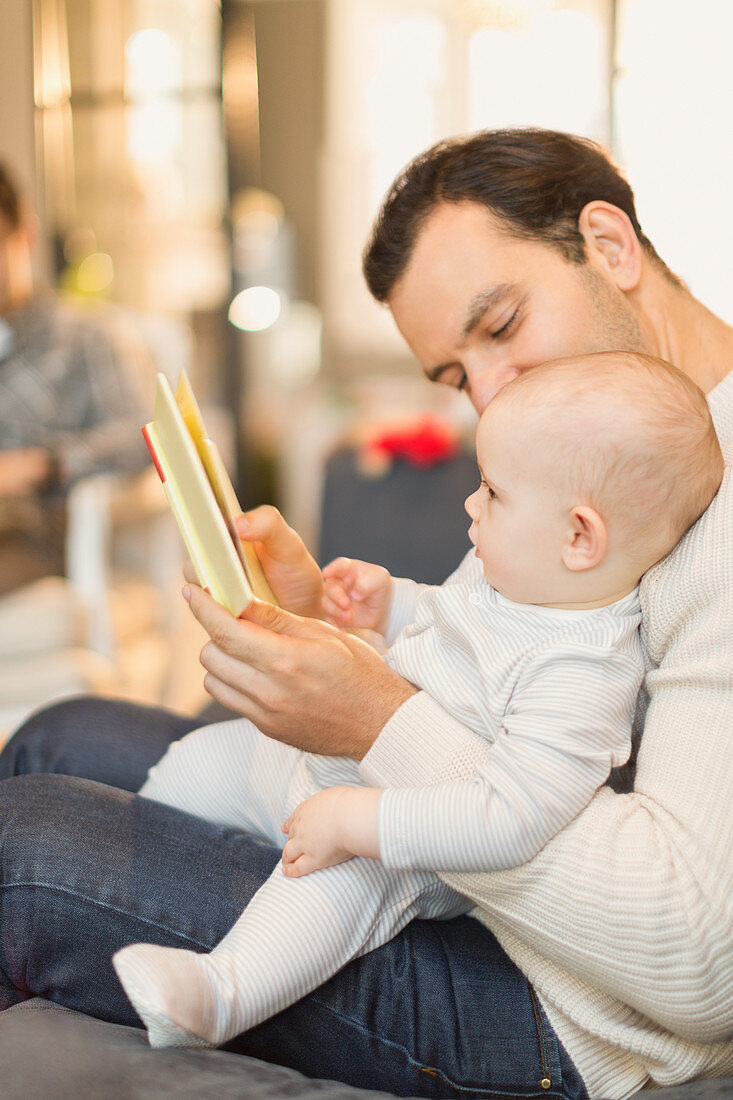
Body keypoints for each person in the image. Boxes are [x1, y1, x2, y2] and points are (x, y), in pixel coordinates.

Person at [1, 128, 731, 1100]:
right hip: (459, 878)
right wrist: (347, 629)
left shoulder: (687, 504)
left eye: (502, 324)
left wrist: (377, 722)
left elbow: (698, 963)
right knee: (60, 731)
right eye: (456, 375)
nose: (491, 394)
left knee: (25, 846)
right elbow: (490, 669)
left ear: (609, 244)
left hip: (559, 999)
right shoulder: (576, 444)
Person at [110, 351, 722, 1053]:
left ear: (579, 536)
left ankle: (219, 993)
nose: (470, 503)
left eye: (491, 492)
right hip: (337, 770)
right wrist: (392, 603)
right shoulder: (530, 582)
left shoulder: (581, 675)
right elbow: (459, 621)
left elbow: (510, 817)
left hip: (407, 847)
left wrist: (365, 821)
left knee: (325, 898)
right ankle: (139, 852)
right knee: (195, 761)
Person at [0, 161, 151, 594]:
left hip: (29, 535)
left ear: (22, 236)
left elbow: (144, 435)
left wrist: (41, 464)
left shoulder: (87, 335)